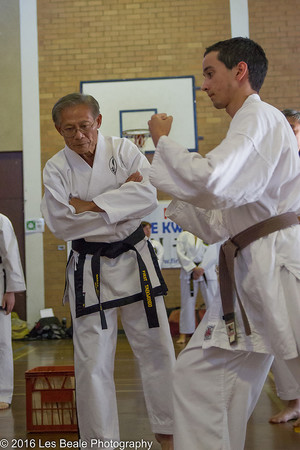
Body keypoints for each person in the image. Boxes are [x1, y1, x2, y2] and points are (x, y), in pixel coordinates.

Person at [147, 37, 300, 450]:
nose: (204, 84)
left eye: (209, 73)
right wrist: (168, 183)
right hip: (252, 271)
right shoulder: (248, 125)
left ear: (240, 70)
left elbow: (214, 180)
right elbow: (218, 221)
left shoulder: (260, 118)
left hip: (279, 266)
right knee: (198, 377)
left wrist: (163, 143)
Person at [41, 93, 175, 450]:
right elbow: (61, 223)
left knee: (158, 348)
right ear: (58, 129)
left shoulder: (124, 150)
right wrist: (119, 199)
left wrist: (89, 206)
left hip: (134, 259)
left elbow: (147, 199)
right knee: (92, 360)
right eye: (68, 128)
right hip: (90, 269)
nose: (78, 134)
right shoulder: (56, 168)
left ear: (98, 121)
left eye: (84, 125)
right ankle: (100, 443)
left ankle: (172, 430)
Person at [269, 108, 300, 426]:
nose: (289, 133)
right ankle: (293, 401)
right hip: (272, 254)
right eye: (285, 127)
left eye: (293, 128)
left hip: (295, 247)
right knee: (281, 330)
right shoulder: (267, 165)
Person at [0, 214, 26, 410]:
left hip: (0, 286)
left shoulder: (2, 221)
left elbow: (11, 255)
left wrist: (11, 290)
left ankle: (3, 392)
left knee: (2, 341)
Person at [176, 230, 219, 344]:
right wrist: (192, 268)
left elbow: (212, 253)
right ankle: (184, 334)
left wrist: (202, 268)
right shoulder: (183, 235)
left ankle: (215, 332)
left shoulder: (208, 233)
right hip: (188, 273)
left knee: (213, 303)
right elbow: (180, 253)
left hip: (207, 271)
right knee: (187, 304)